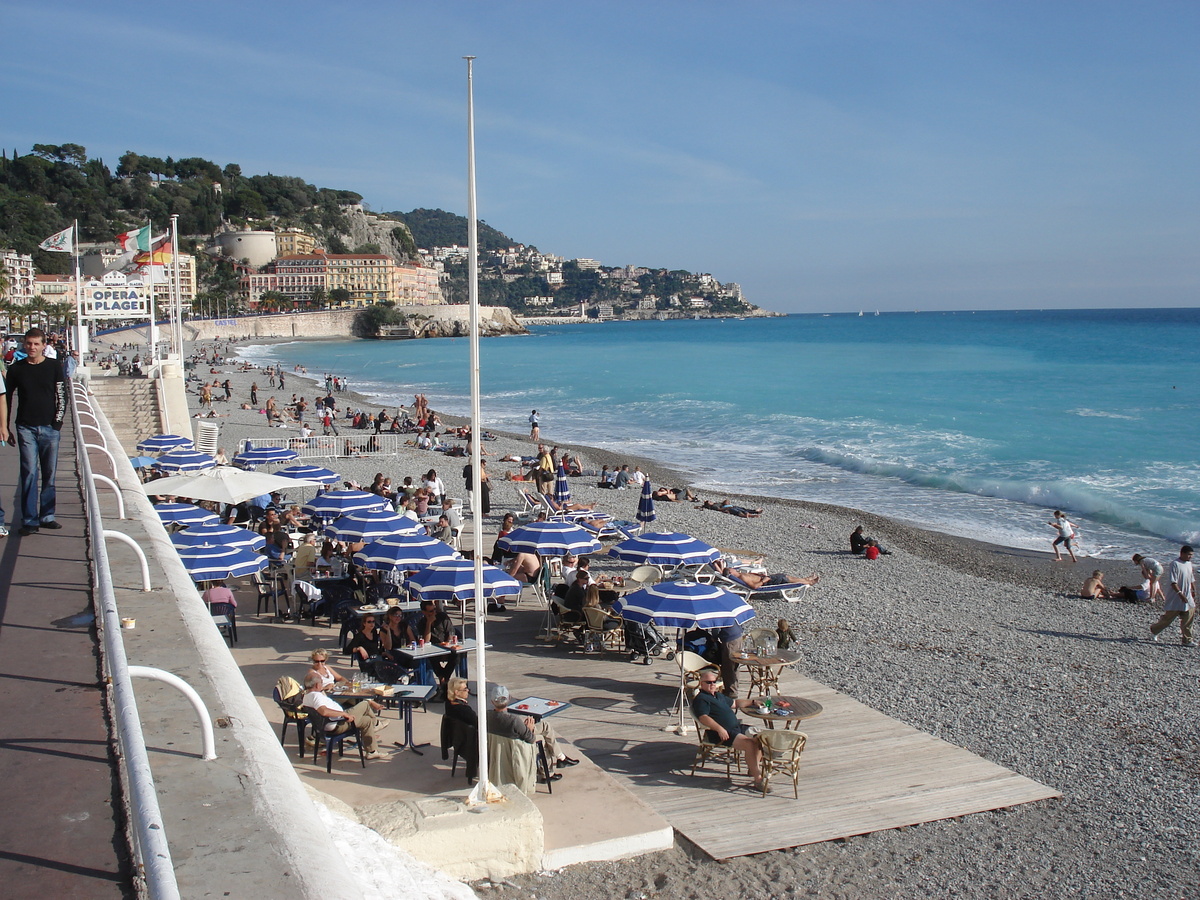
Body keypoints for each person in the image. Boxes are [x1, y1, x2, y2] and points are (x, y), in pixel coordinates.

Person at [6, 328, 66, 535]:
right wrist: (4, 426)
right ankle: (29, 520)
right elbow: (5, 398)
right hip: (25, 428)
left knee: (49, 474)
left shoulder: (53, 366)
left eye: (36, 344)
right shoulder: (17, 369)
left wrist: (57, 423)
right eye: (29, 344)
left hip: (50, 428)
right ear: (25, 345)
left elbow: (61, 394)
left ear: (43, 345)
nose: (32, 347)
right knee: (29, 472)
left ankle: (47, 516)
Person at [690, 669, 765, 791]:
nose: (712, 684)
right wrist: (719, 729)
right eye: (708, 682)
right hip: (722, 732)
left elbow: (735, 703)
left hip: (736, 727)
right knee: (750, 743)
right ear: (701, 683)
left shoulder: (718, 695)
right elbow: (703, 717)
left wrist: (752, 702)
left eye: (714, 681)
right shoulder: (701, 699)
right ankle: (758, 779)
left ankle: (753, 768)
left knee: (761, 738)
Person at [486, 683, 577, 778]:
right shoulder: (514, 721)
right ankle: (550, 771)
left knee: (545, 726)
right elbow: (531, 739)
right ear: (509, 699)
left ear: (492, 701)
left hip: (503, 742)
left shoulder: (486, 716)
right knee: (543, 737)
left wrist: (524, 728)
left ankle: (561, 758)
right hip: (517, 747)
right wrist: (528, 729)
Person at [301, 671, 384, 759]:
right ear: (317, 685)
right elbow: (324, 711)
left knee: (366, 720)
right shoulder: (316, 696)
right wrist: (343, 714)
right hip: (339, 724)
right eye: (321, 682)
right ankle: (376, 723)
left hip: (326, 725)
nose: (322, 684)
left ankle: (372, 751)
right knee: (365, 704)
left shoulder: (306, 696)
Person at [411, 600, 459, 700]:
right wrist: (429, 623)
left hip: (446, 646)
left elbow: (451, 632)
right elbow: (425, 640)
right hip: (432, 650)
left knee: (456, 656)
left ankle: (443, 679)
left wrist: (447, 643)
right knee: (429, 659)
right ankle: (444, 680)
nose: (434, 613)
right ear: (424, 612)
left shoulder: (443, 618)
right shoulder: (422, 623)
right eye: (430, 611)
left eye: (434, 610)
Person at [1149, 545, 1194, 646]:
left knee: (1189, 618)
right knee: (1168, 619)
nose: (1190, 557)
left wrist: (1193, 590)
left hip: (1188, 596)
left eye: (1191, 555)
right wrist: (1180, 594)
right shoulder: (1175, 564)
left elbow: (1191, 578)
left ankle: (1187, 640)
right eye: (1189, 555)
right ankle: (1154, 629)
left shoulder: (1189, 564)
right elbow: (1173, 582)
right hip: (1176, 597)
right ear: (1182, 553)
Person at [443, 676, 479, 782]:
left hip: (459, 740)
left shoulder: (449, 704)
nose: (467, 691)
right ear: (456, 692)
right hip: (469, 743)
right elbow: (478, 723)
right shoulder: (463, 710)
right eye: (465, 689)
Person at [711, 559, 819, 589]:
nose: (733, 568)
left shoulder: (736, 575)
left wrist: (717, 564)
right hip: (766, 582)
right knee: (785, 578)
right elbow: (754, 586)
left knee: (786, 576)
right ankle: (808, 582)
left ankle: (806, 579)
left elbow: (722, 573)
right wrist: (764, 580)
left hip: (765, 579)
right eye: (731, 569)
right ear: (731, 572)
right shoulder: (742, 577)